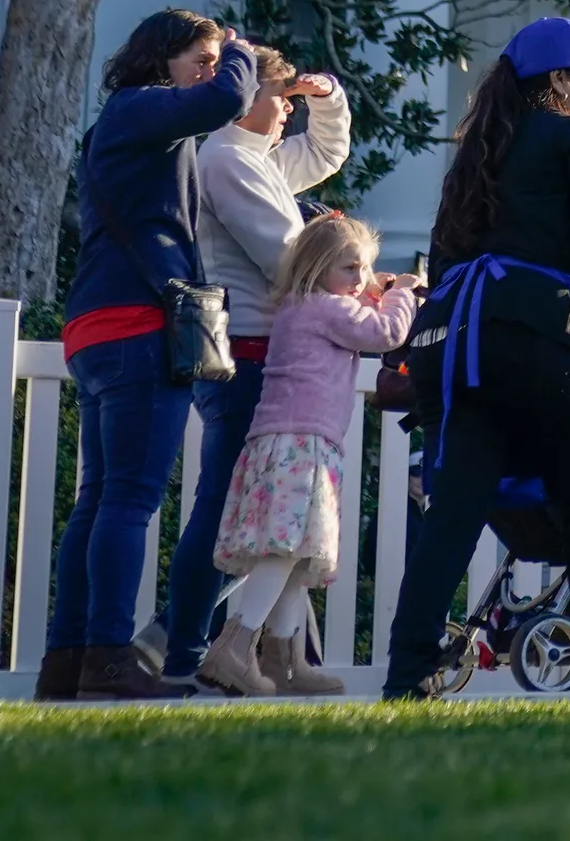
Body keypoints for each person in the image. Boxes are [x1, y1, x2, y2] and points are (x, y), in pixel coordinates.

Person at [382, 17, 570, 700]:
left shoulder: (478, 151)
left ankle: (407, 671)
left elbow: (444, 257)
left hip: (459, 345)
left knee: (454, 511)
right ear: (563, 82)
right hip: (541, 340)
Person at [37, 10, 257, 702]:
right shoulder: (141, 107)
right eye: (201, 57)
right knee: (129, 499)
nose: (211, 70)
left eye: (216, 58)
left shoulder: (127, 120)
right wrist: (242, 53)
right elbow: (227, 100)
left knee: (101, 498)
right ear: (162, 57)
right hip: (137, 325)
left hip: (99, 326)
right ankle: (108, 655)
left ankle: (67, 661)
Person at [163, 46, 351, 688]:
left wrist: (327, 97)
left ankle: (281, 657)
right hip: (247, 358)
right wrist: (364, 288)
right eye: (280, 97)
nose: (287, 111)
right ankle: (188, 653)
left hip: (266, 356)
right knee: (231, 507)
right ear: (245, 100)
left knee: (284, 512)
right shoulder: (226, 160)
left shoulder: (254, 159)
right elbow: (288, 259)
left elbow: (325, 153)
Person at [196, 213, 417, 695]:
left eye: (364, 267)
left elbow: (358, 313)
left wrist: (370, 289)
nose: (360, 278)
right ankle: (235, 647)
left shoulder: (304, 305)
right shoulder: (325, 309)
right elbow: (385, 334)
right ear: (318, 268)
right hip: (303, 445)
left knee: (296, 558)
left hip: (290, 442)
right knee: (285, 551)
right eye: (350, 268)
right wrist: (401, 293)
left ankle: (284, 661)